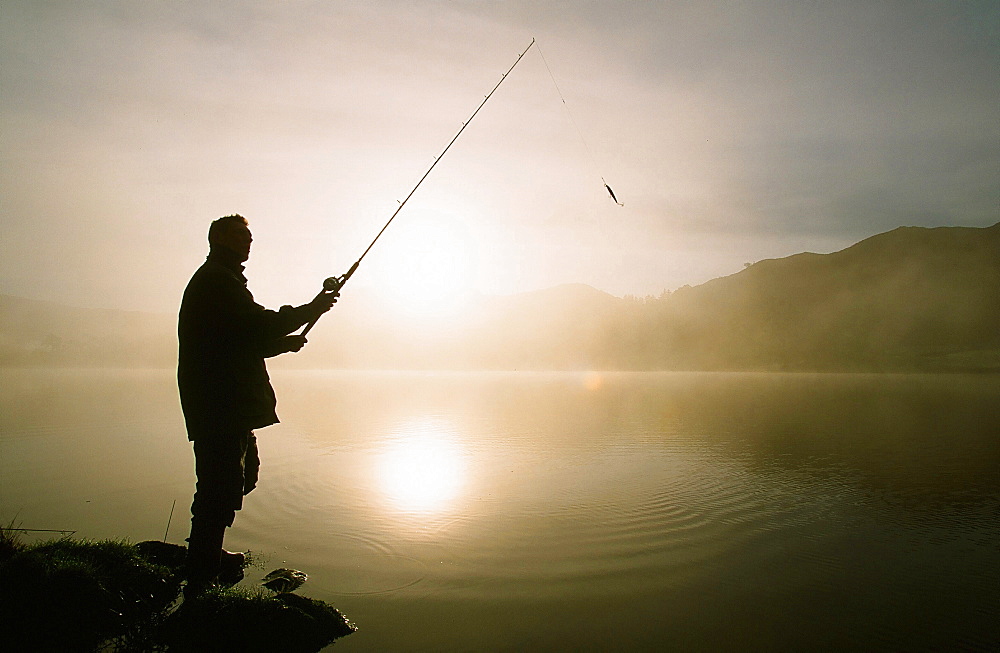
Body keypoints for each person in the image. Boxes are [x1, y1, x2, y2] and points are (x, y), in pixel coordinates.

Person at [177, 214, 337, 593]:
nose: (249, 241)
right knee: (218, 486)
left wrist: (287, 340)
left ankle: (206, 555)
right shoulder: (217, 281)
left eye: (250, 235)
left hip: (228, 402)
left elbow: (242, 338)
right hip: (219, 403)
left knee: (238, 480)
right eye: (241, 235)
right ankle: (201, 573)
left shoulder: (225, 280)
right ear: (219, 239)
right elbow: (257, 326)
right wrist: (312, 308)